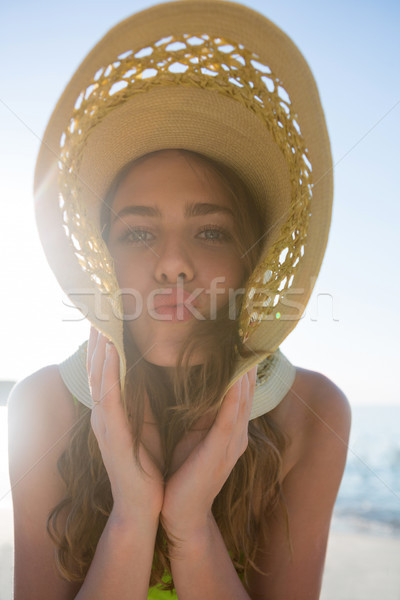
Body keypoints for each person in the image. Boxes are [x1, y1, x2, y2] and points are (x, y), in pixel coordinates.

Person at [7, 2, 351, 599]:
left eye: (211, 231)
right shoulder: (44, 409)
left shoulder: (310, 414)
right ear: (103, 256)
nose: (172, 262)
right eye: (137, 232)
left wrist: (191, 527)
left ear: (252, 259)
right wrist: (132, 517)